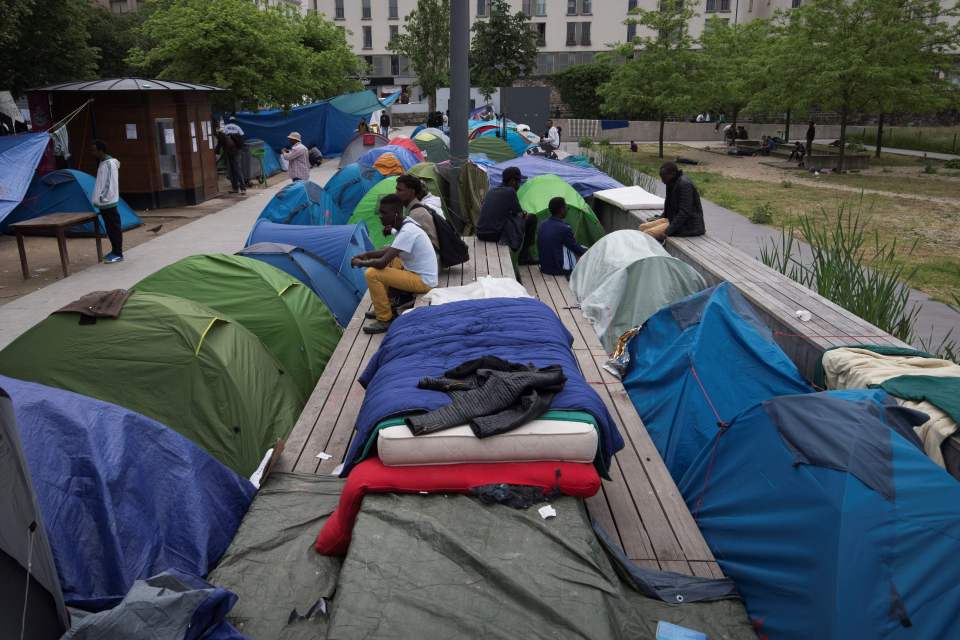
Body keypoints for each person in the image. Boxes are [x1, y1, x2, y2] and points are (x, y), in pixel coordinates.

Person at [352, 194, 438, 334]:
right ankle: (387, 304)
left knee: (372, 273)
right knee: (393, 257)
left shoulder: (407, 231)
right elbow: (390, 250)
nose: (380, 216)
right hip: (418, 273)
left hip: (424, 281)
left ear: (396, 214)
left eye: (384, 213)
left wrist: (361, 262)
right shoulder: (405, 223)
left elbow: (381, 263)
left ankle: (384, 318)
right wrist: (367, 254)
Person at [477, 166, 538, 264]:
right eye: (518, 182)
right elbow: (519, 213)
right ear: (512, 181)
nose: (519, 185)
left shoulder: (491, 191)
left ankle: (524, 255)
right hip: (494, 235)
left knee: (511, 218)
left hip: (481, 233)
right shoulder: (510, 191)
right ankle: (524, 256)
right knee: (532, 218)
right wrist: (525, 213)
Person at [639, 162, 705, 241]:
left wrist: (668, 231)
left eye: (664, 178)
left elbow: (684, 213)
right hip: (674, 219)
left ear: (673, 174)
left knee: (648, 233)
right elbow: (668, 204)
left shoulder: (685, 184)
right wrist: (661, 218)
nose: (662, 181)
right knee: (642, 227)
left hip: (689, 225)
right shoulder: (671, 182)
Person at [91, 140, 124, 263]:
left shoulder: (110, 164)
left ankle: (118, 253)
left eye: (94, 150)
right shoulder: (102, 163)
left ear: (101, 151)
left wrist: (102, 197)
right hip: (104, 204)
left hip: (109, 202)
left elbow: (109, 183)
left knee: (114, 227)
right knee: (109, 228)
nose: (92, 152)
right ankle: (114, 250)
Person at [538, 197, 586, 277]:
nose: (567, 210)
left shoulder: (543, 224)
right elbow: (576, 248)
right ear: (562, 210)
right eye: (566, 208)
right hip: (557, 270)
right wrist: (589, 252)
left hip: (544, 267)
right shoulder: (564, 228)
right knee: (575, 250)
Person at [395, 174, 439, 254]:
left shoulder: (416, 214)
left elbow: (401, 244)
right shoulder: (414, 208)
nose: (396, 193)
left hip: (428, 261)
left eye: (399, 190)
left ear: (412, 192)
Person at [215, 125, 246, 194]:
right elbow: (218, 148)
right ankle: (235, 188)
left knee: (236, 170)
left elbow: (219, 147)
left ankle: (242, 188)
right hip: (231, 152)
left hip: (234, 152)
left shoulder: (222, 137)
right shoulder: (224, 135)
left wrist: (217, 153)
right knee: (232, 171)